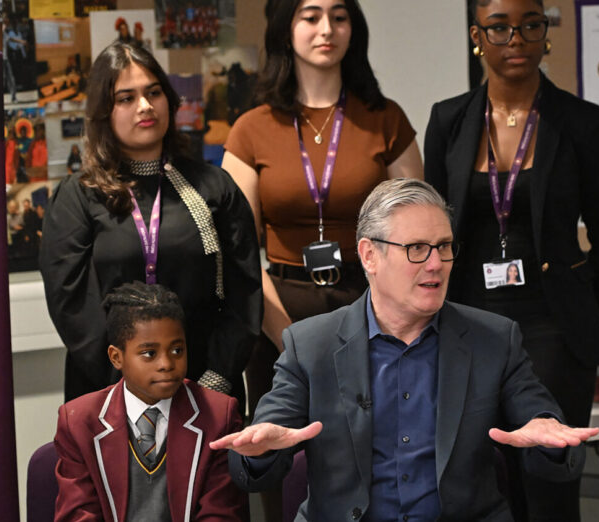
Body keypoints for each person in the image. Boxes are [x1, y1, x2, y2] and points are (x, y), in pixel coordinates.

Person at [211, 178, 597, 521]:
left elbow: (551, 444)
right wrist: (260, 452)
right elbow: (254, 462)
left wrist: (551, 441)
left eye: (444, 247)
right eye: (417, 248)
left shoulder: (494, 339)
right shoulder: (311, 345)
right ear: (369, 256)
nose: (436, 264)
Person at [424, 0, 599, 519]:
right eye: (499, 28)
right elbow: (432, 228)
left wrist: (581, 309)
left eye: (530, 25)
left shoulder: (582, 122)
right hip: (468, 322)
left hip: (553, 327)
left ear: (545, 31)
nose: (516, 39)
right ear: (477, 36)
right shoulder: (448, 120)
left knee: (547, 487)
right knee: (474, 480)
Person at [221, 0, 423, 419]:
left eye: (339, 17)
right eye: (311, 17)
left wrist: (387, 323)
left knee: (377, 445)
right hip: (278, 312)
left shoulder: (386, 119)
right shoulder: (250, 129)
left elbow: (415, 237)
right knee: (285, 446)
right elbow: (238, 254)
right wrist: (287, 338)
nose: (327, 29)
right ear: (286, 30)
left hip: (371, 308)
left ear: (354, 29)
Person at [39, 42, 262, 402]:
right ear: (103, 111)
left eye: (153, 93)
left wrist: (215, 381)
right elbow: (72, 305)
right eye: (126, 98)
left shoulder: (214, 187)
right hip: (108, 392)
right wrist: (131, 388)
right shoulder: (77, 196)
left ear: (169, 101)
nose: (144, 106)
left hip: (205, 390)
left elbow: (243, 293)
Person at [54, 282, 249, 521]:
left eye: (177, 350)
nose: (166, 364)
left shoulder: (218, 416)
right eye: (149, 354)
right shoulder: (79, 422)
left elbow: (221, 515)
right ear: (116, 357)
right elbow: (78, 515)